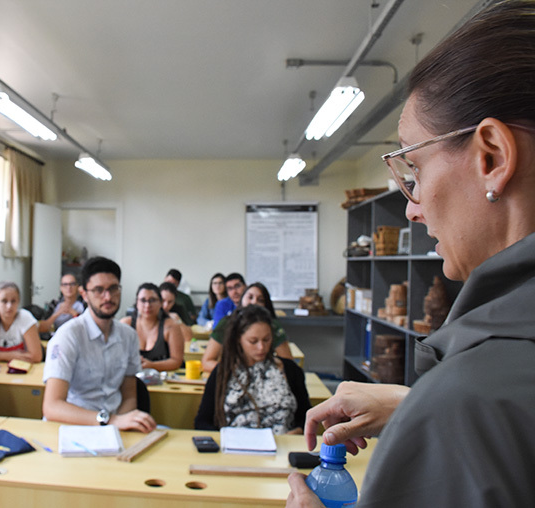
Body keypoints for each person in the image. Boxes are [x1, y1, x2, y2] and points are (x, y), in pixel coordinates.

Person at [287, 3, 535, 506]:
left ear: (492, 156)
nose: (411, 211)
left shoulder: (470, 398)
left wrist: (439, 409)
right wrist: (416, 404)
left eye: (415, 171)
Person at [42, 256, 156, 432]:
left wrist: (119, 425)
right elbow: (52, 406)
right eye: (98, 290)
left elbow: (129, 397)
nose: (107, 297)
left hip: (114, 428)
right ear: (84, 294)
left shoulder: (129, 336)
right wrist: (109, 421)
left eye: (113, 289)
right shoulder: (68, 336)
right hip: (72, 427)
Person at [194, 305, 310, 434]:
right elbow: (202, 422)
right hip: (235, 448)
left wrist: (296, 432)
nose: (261, 347)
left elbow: (306, 417)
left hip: (283, 446)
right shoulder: (223, 372)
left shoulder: (290, 370)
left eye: (266, 339)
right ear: (239, 340)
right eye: (253, 341)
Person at [202, 282, 293, 373]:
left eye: (260, 300)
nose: (254, 302)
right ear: (242, 299)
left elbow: (288, 364)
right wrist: (235, 372)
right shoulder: (227, 323)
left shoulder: (273, 325)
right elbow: (207, 362)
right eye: (250, 297)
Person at [120, 283, 184, 372]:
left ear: (160, 303)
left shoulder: (171, 326)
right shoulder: (126, 324)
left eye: (152, 300)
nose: (147, 305)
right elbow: (116, 356)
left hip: (163, 380)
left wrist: (152, 365)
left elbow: (177, 361)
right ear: (137, 303)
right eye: (143, 300)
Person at [0, 281, 43, 363]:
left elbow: (36, 356)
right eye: (4, 301)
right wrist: (10, 355)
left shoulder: (25, 317)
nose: (9, 306)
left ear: (18, 302)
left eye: (13, 301)